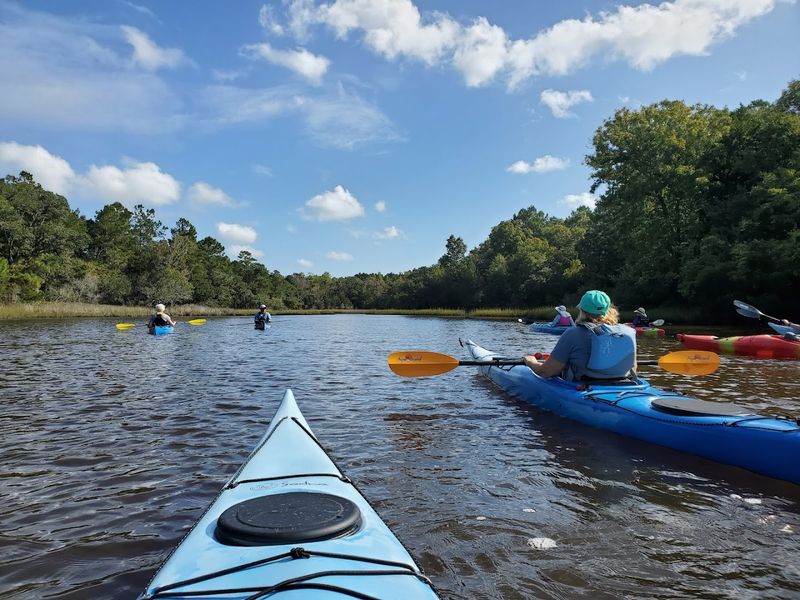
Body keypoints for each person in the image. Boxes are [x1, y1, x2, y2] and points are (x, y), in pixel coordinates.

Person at [524, 290, 637, 381]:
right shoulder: (627, 332)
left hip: (585, 388)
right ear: (609, 310)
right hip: (624, 385)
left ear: (582, 310)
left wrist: (531, 362)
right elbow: (634, 368)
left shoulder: (572, 333)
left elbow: (546, 372)